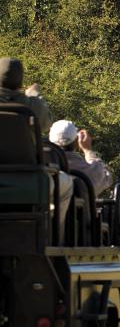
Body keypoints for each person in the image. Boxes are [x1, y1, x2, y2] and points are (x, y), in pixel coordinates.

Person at [0, 57, 72, 242]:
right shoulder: (30, 104)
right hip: (28, 180)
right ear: (20, 80)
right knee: (67, 184)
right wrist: (34, 95)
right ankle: (53, 238)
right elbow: (47, 123)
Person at [49, 120, 113, 196]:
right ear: (77, 141)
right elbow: (106, 177)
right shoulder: (87, 170)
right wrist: (88, 150)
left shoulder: (41, 165)